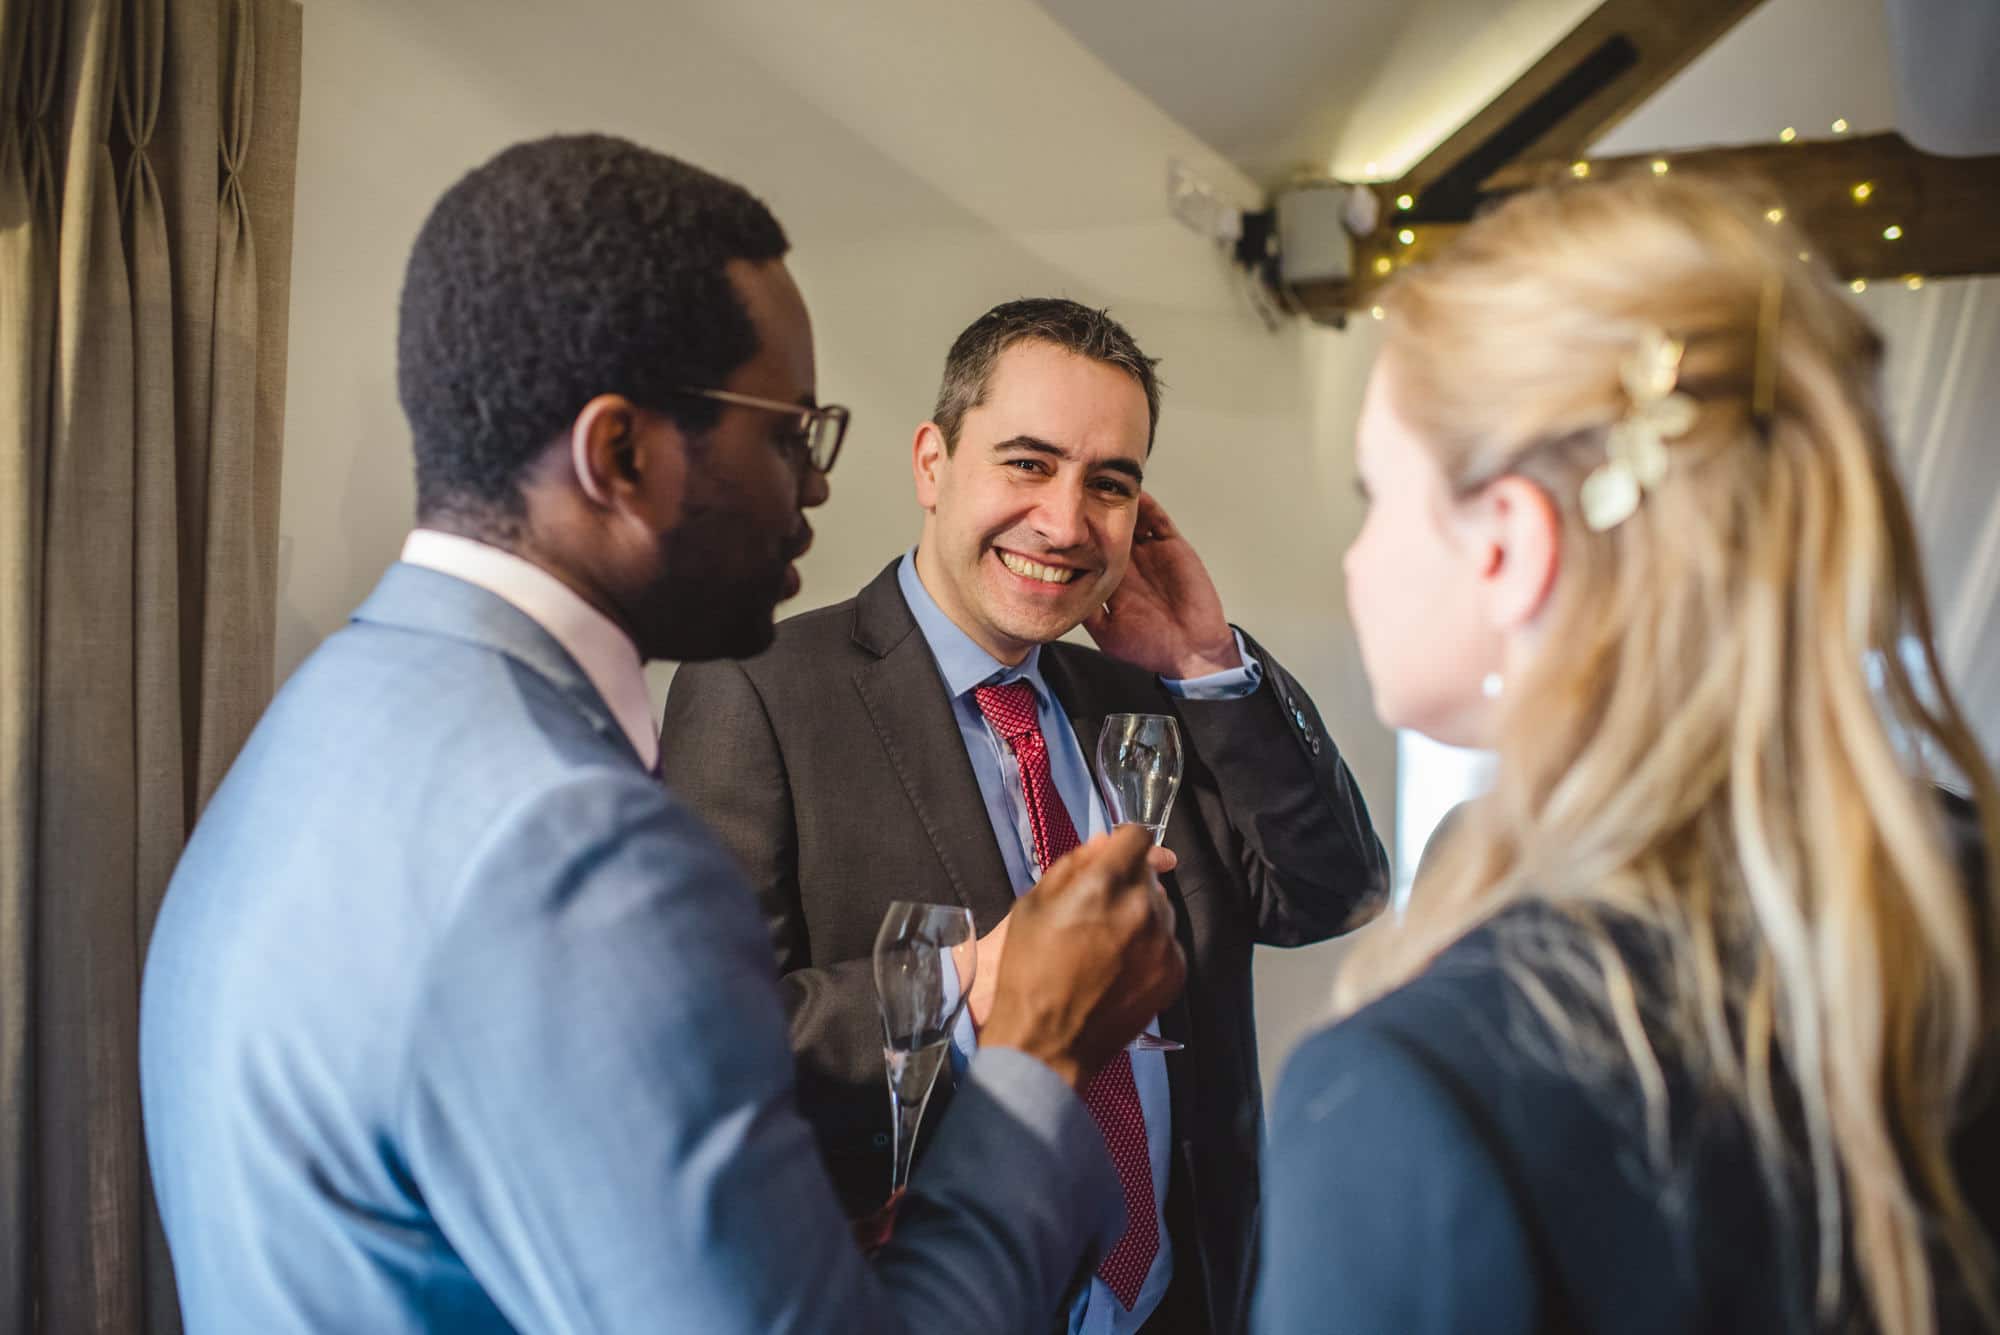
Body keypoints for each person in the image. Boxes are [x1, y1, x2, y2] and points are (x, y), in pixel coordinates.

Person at [138, 133, 1187, 1334]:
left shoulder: (338, 706)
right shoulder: (572, 842)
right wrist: (1040, 1053)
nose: (817, 486)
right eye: (789, 434)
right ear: (619, 454)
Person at [1254, 172, 2000, 1334]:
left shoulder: (1411, 1102)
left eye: (1375, 495)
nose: (1356, 558)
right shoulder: (1962, 894)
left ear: (1506, 542)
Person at [660, 297, 1390, 1334]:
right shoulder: (760, 691)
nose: (1064, 522)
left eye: (1109, 484)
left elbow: (1332, 890)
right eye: (1026, 464)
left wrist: (1205, 664)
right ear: (930, 463)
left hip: (1187, 1302)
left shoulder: (1149, 702)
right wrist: (968, 991)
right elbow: (709, 1049)